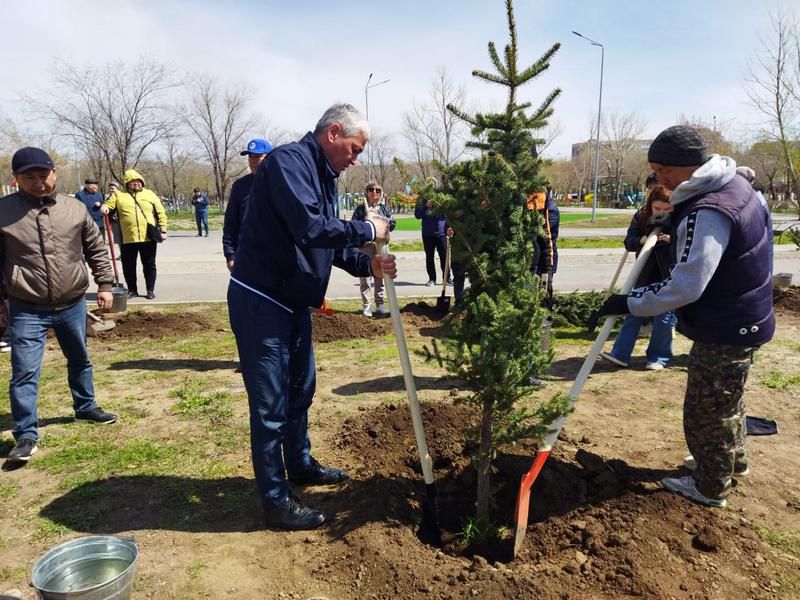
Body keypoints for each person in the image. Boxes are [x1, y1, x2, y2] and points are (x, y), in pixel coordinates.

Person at [228, 103, 395, 531]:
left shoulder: (323, 174)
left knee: (301, 389)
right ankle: (275, 500)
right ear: (334, 132)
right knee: (270, 405)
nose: (355, 159)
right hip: (261, 301)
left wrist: (367, 265)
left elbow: (323, 242)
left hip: (292, 301)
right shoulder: (289, 163)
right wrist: (367, 231)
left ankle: (299, 463)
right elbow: (311, 227)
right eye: (354, 148)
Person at [592, 125, 775, 508]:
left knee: (707, 409)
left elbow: (686, 285)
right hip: (747, 311)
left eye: (664, 170)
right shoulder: (738, 188)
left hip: (726, 321)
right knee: (729, 399)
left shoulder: (710, 209)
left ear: (691, 166)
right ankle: (730, 461)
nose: (658, 178)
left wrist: (631, 303)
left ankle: (709, 486)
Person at [0, 147, 118, 465]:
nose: (39, 183)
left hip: (72, 303)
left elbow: (95, 248)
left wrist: (105, 285)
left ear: (54, 173)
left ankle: (86, 406)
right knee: (24, 370)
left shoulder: (74, 209)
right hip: (27, 306)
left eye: (44, 175)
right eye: (29, 177)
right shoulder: (3, 212)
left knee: (79, 358)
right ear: (17, 179)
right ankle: (26, 434)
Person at [600, 184, 677, 370]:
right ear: (651, 204)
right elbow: (629, 241)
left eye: (667, 209)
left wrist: (673, 238)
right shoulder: (641, 216)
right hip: (645, 270)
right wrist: (644, 239)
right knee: (634, 310)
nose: (661, 212)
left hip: (670, 273)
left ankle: (659, 357)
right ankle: (620, 353)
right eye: (657, 208)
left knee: (664, 316)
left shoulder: (682, 218)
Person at [100, 170, 168, 300]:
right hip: (127, 238)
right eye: (132, 182)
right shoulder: (119, 195)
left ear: (142, 182)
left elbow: (161, 212)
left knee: (149, 265)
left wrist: (163, 230)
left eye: (138, 182)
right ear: (127, 184)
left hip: (147, 237)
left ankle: (150, 290)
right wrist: (105, 207)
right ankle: (132, 290)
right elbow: (108, 205)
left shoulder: (150, 194)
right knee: (128, 265)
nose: (135, 184)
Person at [222, 138, 273, 271]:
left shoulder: (281, 183)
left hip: (274, 259)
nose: (253, 161)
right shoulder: (240, 186)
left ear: (269, 157)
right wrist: (230, 255)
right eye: (250, 157)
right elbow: (230, 224)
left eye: (258, 156)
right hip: (246, 257)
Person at [352, 180, 395, 316]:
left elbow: (392, 223)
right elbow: (354, 226)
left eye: (377, 190)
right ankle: (366, 306)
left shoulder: (384, 208)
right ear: (367, 192)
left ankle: (380, 304)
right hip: (366, 246)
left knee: (379, 275)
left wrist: (386, 222)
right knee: (365, 277)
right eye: (371, 190)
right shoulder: (360, 209)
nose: (374, 192)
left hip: (380, 246)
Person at [415, 187, 448, 286]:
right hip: (427, 234)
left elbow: (448, 212)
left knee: (444, 257)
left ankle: (447, 278)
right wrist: (426, 206)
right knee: (429, 257)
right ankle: (432, 279)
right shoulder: (421, 200)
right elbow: (417, 215)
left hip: (441, 233)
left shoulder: (441, 197)